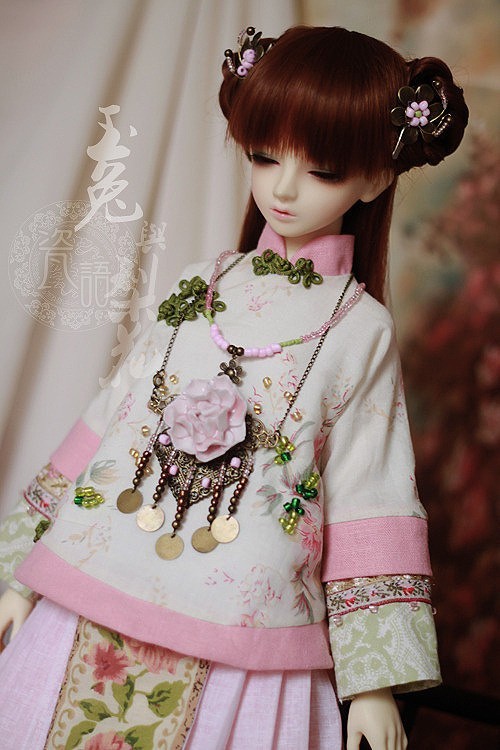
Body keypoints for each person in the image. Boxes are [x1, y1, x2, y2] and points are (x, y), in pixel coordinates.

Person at [0, 24, 468, 750]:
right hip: (93, 581)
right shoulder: (200, 285)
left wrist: (370, 683)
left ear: (377, 179)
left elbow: (370, 490)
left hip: (248, 618)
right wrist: (21, 576)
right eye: (264, 155)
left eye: (323, 170)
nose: (284, 187)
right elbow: (112, 419)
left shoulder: (359, 327)